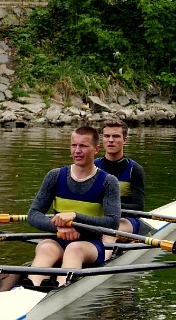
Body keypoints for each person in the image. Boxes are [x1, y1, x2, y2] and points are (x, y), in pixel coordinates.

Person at [20, 125, 121, 288]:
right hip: (58, 238)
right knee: (44, 247)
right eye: (74, 145)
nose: (77, 151)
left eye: (83, 146)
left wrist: (75, 217)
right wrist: (59, 228)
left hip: (90, 244)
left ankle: (61, 289)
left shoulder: (108, 182)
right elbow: (33, 214)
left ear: (96, 149)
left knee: (74, 249)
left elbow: (112, 223)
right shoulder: (55, 176)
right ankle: (31, 288)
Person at [94, 118, 146, 238]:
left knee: (108, 233)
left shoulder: (134, 169)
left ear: (124, 140)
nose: (111, 140)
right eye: (107, 136)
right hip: (97, 218)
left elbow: (138, 207)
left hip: (126, 219)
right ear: (102, 139)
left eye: (116, 136)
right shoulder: (92, 166)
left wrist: (109, 207)